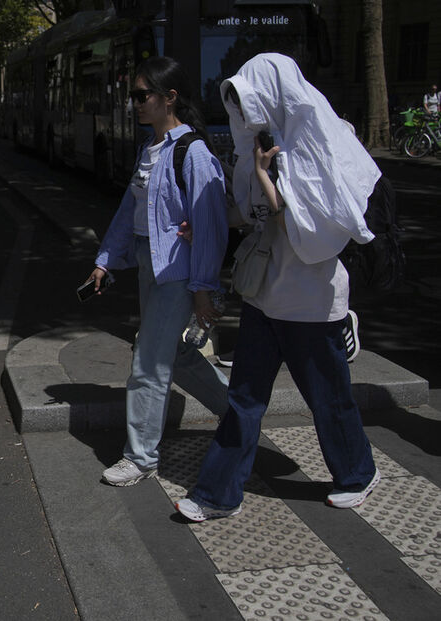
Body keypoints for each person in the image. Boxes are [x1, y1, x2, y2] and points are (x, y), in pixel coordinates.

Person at [175, 53, 380, 522]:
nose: (242, 113)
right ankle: (217, 495)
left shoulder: (325, 144)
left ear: (273, 95)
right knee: (244, 399)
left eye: (247, 101)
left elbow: (312, 236)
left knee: (328, 400)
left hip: (312, 303)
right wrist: (209, 223)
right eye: (236, 103)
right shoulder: (257, 148)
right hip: (265, 296)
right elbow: (251, 214)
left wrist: (267, 176)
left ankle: (357, 473)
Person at [86, 56, 230, 487]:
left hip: (178, 271)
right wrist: (106, 260)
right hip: (150, 264)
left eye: (141, 95)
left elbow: (210, 229)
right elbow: (127, 212)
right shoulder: (148, 148)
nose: (134, 103)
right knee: (176, 355)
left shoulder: (194, 153)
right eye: (132, 96)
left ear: (170, 98)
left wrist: (202, 287)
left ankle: (141, 457)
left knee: (148, 361)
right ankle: (240, 412)